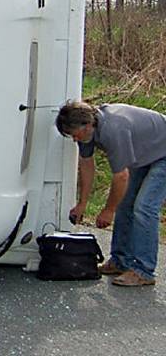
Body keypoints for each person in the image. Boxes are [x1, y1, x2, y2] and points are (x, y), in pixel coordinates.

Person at [57, 100, 166, 287]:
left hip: (163, 153)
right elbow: (86, 165)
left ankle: (144, 271)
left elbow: (121, 177)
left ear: (88, 125)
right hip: (147, 152)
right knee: (125, 205)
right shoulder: (87, 134)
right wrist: (82, 203)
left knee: (144, 207)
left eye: (74, 134)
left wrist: (108, 210)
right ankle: (120, 261)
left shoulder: (113, 130)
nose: (74, 139)